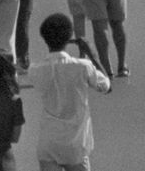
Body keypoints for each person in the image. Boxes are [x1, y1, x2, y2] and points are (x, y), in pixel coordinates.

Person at [29, 12, 111, 171]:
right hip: (76, 145)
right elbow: (106, 86)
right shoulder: (82, 66)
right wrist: (92, 55)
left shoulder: (35, 70)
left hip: (48, 144)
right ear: (69, 38)